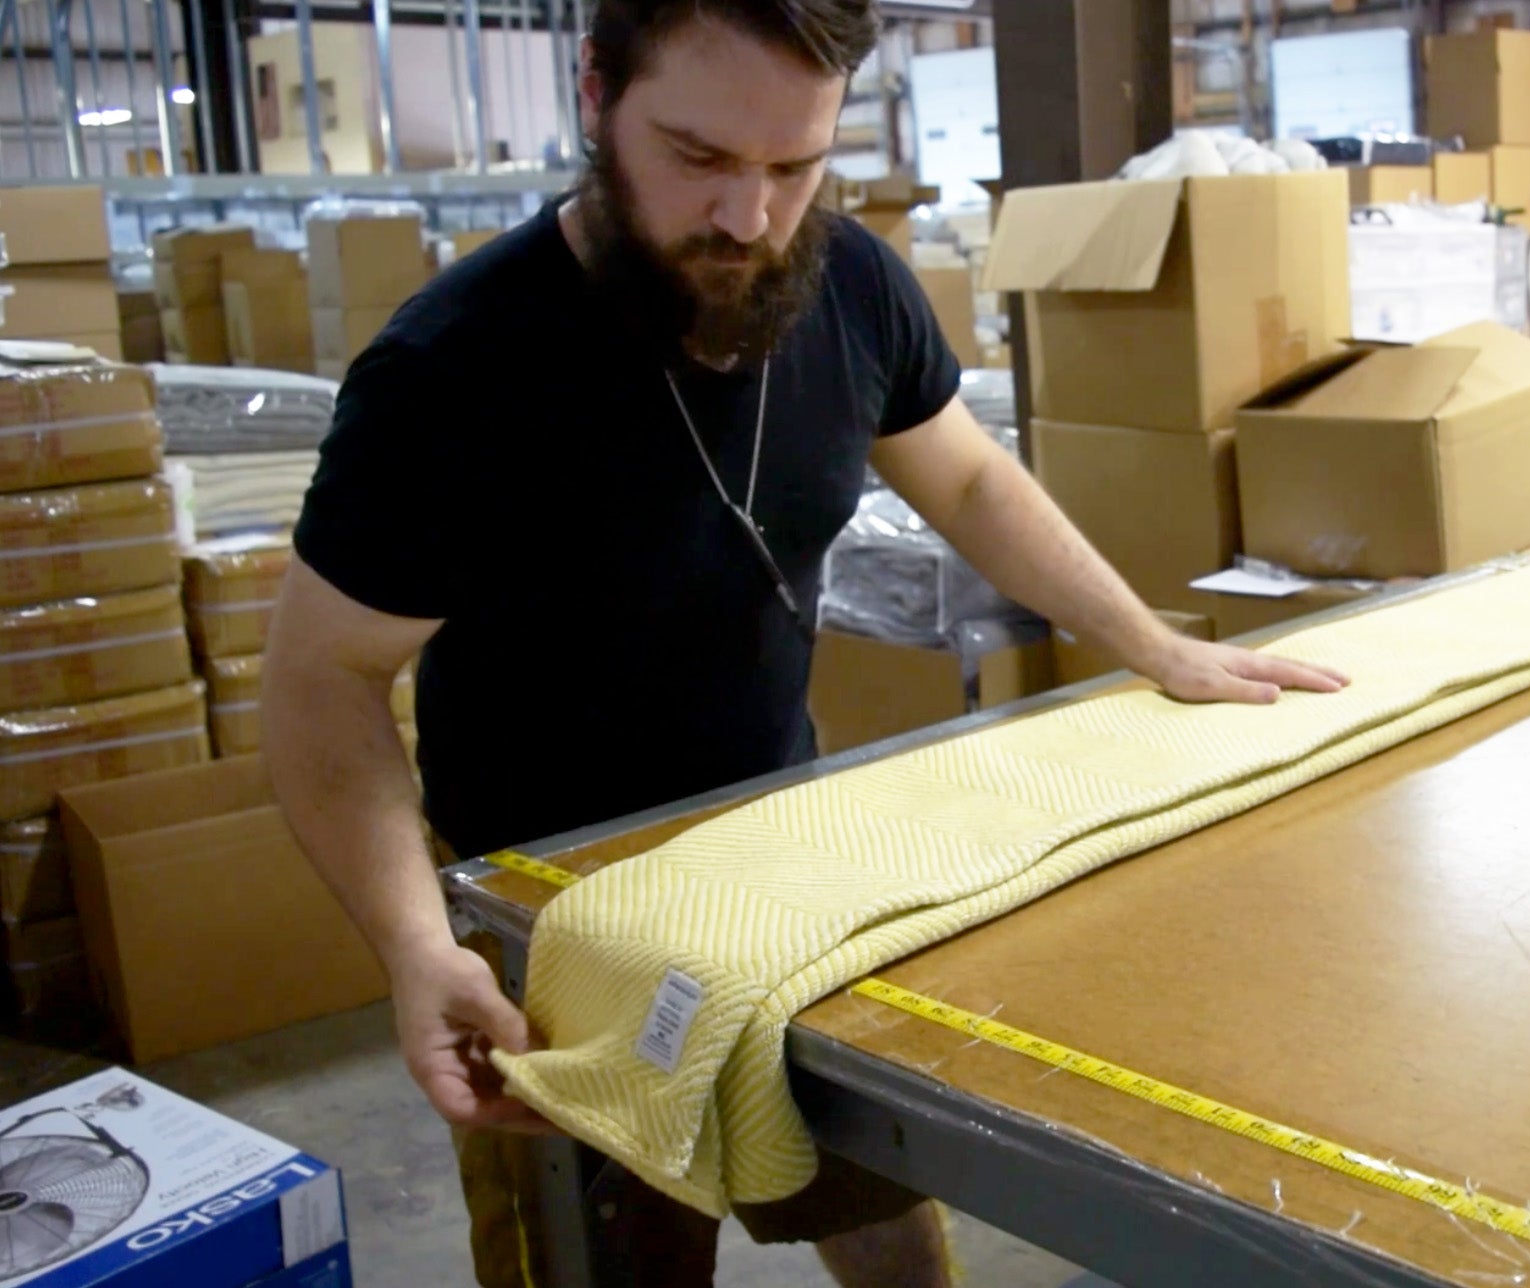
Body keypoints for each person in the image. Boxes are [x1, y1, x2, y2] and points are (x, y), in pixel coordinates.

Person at [259, 0, 1350, 1283]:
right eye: (701, 160)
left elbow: (973, 484)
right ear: (595, 91)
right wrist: (415, 945)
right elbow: (324, 678)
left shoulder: (847, 283)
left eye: (796, 167)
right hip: (550, 912)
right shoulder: (457, 371)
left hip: (783, 858)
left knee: (878, 1202)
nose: (749, 219)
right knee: (610, 1248)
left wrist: (1151, 643)